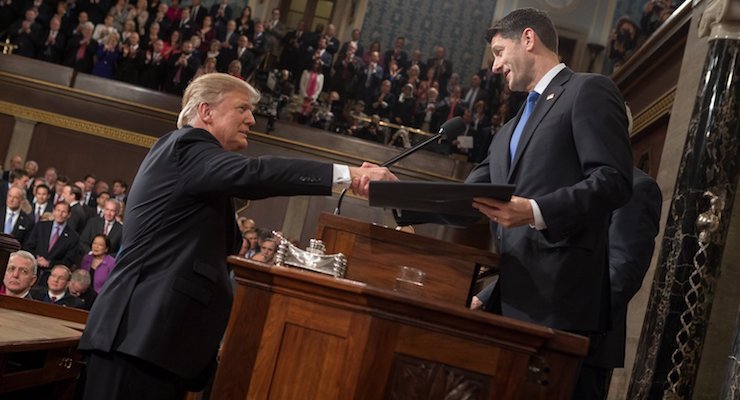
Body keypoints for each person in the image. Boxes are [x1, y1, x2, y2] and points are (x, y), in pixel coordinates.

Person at [78, 73, 397, 400]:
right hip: (137, 337)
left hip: (151, 342)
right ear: (206, 112)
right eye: (242, 108)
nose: (252, 119)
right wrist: (349, 174)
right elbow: (255, 174)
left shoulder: (192, 163)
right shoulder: (186, 146)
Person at [396, 8, 633, 398]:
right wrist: (394, 193)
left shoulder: (588, 90)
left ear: (528, 39)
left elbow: (613, 180)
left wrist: (537, 212)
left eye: (499, 52)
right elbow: (469, 198)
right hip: (508, 305)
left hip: (561, 306)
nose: (494, 66)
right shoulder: (507, 129)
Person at [472, 168, 662, 398]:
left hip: (578, 347)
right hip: (524, 335)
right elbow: (543, 263)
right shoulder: (566, 183)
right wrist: (485, 297)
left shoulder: (637, 186)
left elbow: (621, 275)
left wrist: (557, 322)